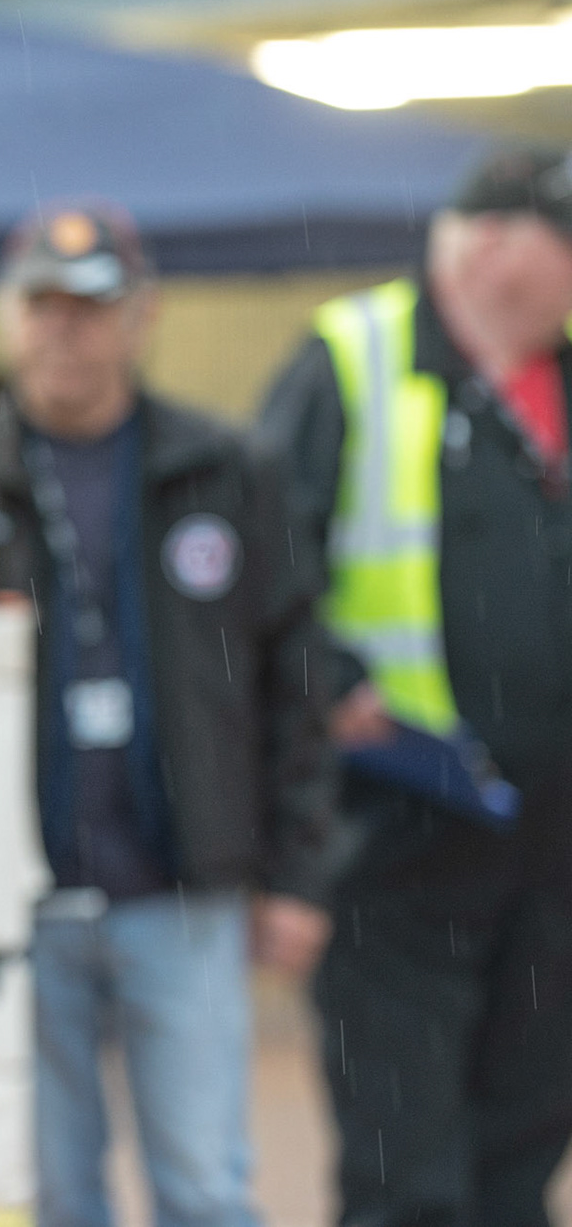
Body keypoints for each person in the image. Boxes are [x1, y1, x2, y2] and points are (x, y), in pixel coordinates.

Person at [0, 203, 339, 1226]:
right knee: (48, 1185)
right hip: (12, 902)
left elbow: (298, 674)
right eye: (42, 305)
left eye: (92, 306)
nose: (64, 329)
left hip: (180, 886)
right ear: (7, 316)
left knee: (203, 1180)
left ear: (142, 315)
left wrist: (297, 871)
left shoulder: (226, 465)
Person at [258, 147, 572, 1227]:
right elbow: (260, 563)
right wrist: (333, 681)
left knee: (522, 1153)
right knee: (409, 1171)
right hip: (403, 832)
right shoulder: (356, 356)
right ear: (489, 240)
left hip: (554, 846)